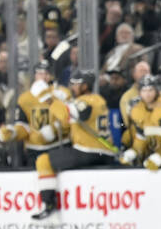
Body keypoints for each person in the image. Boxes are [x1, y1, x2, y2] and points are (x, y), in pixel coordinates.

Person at [32, 71, 118, 219]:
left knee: (43, 161)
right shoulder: (98, 99)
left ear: (85, 86)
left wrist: (46, 98)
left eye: (76, 84)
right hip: (105, 152)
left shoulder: (86, 101)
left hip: (88, 151)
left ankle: (48, 204)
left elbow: (67, 115)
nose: (73, 87)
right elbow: (73, 114)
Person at [0, 61, 71, 156]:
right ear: (35, 75)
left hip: (60, 146)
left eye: (47, 73)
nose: (44, 77)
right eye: (40, 73)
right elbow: (24, 125)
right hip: (34, 150)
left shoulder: (62, 93)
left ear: (52, 76)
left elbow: (69, 120)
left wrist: (54, 130)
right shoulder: (24, 98)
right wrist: (14, 132)